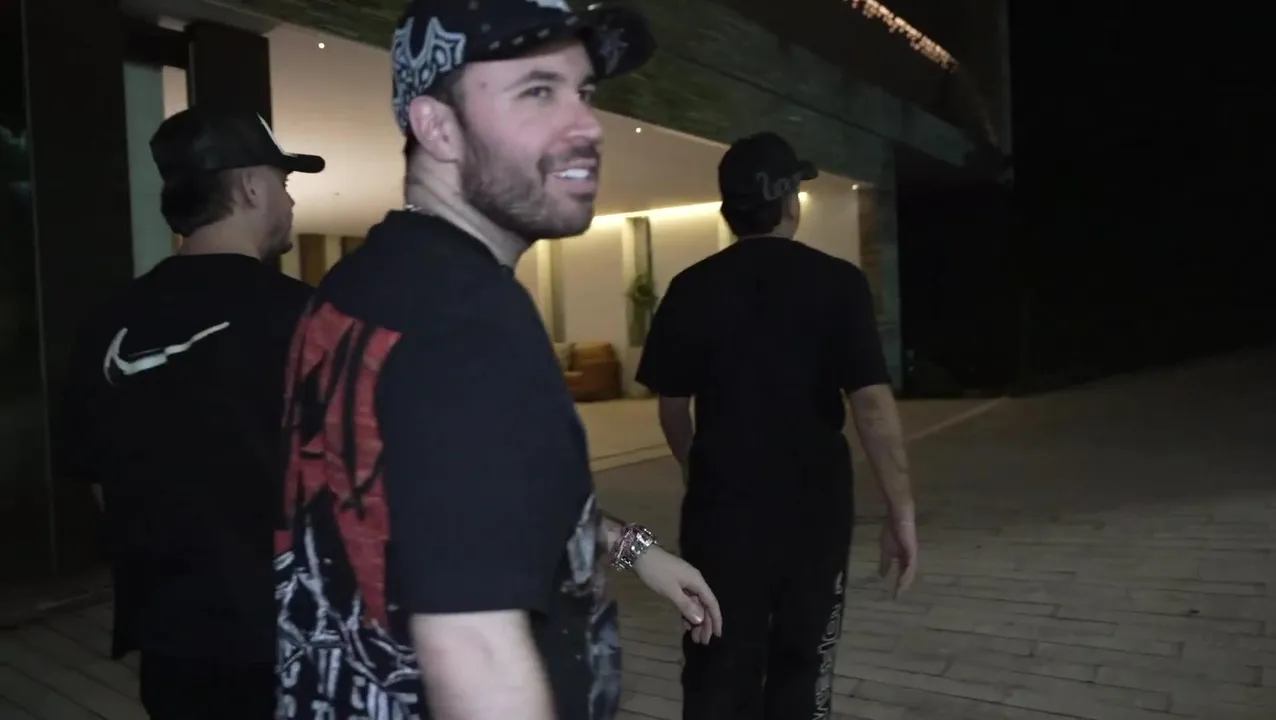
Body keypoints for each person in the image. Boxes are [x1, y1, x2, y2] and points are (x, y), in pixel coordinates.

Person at [271, 1, 722, 719]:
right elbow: (477, 656)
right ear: (437, 127)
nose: (587, 125)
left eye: (583, 91)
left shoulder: (364, 286)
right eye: (537, 91)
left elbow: (466, 501)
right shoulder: (472, 325)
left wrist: (636, 551)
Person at [635, 131, 919, 720]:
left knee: (715, 657)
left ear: (728, 210)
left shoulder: (690, 288)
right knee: (803, 661)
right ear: (789, 201)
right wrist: (901, 511)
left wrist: (696, 468)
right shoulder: (839, 282)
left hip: (722, 509)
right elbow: (870, 404)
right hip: (814, 509)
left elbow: (672, 406)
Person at [52, 107, 324, 719]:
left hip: (172, 645)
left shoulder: (108, 324)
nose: (289, 201)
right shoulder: (311, 319)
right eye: (283, 182)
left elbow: (101, 484)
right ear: (250, 187)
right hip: (293, 640)